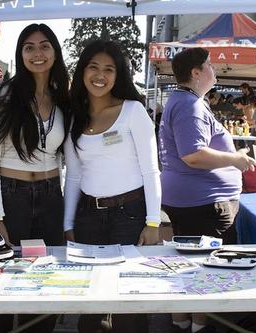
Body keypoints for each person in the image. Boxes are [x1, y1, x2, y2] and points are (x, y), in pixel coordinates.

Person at [0, 23, 69, 333]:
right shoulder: (5, 94)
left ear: (55, 52)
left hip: (51, 197)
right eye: (29, 47)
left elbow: (63, 158)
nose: (37, 53)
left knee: (42, 284)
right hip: (10, 196)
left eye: (44, 46)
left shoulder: (63, 98)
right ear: (21, 53)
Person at [64, 40, 161, 333]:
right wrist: (68, 223)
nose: (100, 75)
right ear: (82, 71)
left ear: (118, 75)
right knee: (90, 303)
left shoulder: (133, 111)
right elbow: (74, 176)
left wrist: (153, 221)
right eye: (93, 67)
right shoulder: (74, 116)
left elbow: (151, 169)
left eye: (109, 69)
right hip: (88, 217)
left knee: (128, 304)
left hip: (130, 216)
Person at [158, 47, 256, 333]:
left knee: (193, 262)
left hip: (195, 199)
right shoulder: (190, 105)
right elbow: (194, 155)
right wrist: (236, 159)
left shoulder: (185, 101)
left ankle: (184, 320)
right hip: (204, 202)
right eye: (209, 65)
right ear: (196, 72)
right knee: (207, 267)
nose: (215, 70)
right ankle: (198, 325)